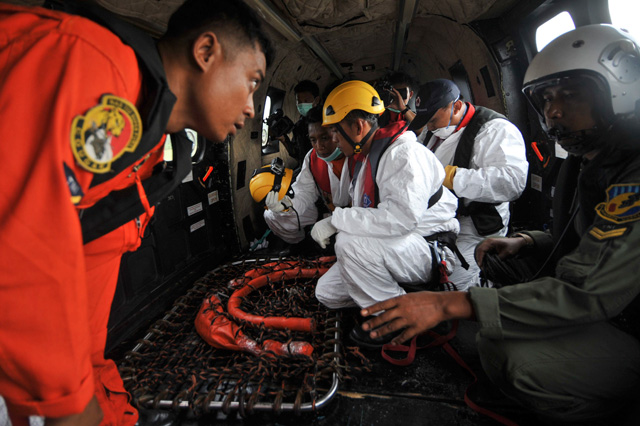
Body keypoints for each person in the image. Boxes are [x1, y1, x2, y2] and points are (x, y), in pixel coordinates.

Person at [0, 0, 273, 425]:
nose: (253, 108)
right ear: (205, 52)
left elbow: (86, 308)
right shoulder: (92, 67)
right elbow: (23, 245)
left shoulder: (149, 147)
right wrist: (70, 404)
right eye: (252, 82)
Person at [360, 24, 640, 424]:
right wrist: (529, 240)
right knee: (491, 295)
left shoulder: (497, 131)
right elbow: (585, 239)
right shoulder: (592, 162)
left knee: (504, 350)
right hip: (455, 223)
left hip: (620, 315)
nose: (553, 111)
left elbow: (512, 184)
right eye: (545, 99)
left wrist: (450, 304)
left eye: (570, 94)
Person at [311, 80, 460, 347]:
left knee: (349, 244)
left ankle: (394, 318)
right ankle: (390, 294)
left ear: (358, 127)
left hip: (428, 248)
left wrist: (336, 219)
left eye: (334, 132)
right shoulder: (366, 157)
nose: (331, 141)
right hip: (398, 247)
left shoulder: (402, 155)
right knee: (327, 293)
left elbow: (400, 220)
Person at [407, 79, 528, 290]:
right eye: (427, 121)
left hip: (476, 222)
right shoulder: (432, 132)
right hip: (440, 217)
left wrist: (451, 177)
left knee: (452, 282)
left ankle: (485, 287)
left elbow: (512, 182)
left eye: (434, 120)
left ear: (457, 106)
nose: (430, 127)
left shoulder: (494, 130)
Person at [262, 106, 351, 246]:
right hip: (330, 212)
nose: (319, 146)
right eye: (313, 140)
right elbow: (304, 191)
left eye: (324, 138)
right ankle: (301, 245)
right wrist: (286, 206)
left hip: (357, 220)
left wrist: (336, 222)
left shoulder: (355, 157)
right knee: (273, 216)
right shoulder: (312, 159)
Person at [280, 80, 322, 169]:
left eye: (306, 100)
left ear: (316, 100)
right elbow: (297, 154)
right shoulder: (299, 125)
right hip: (305, 168)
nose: (302, 104)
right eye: (299, 101)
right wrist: (284, 139)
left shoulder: (326, 122)